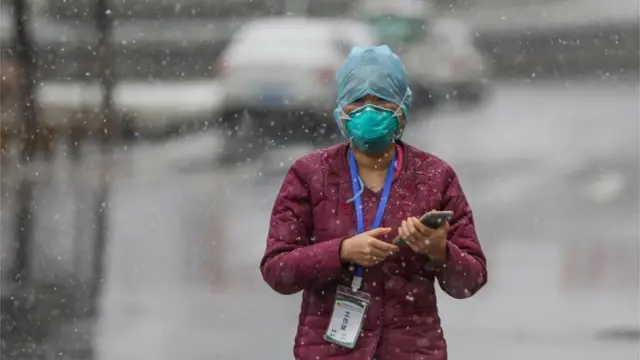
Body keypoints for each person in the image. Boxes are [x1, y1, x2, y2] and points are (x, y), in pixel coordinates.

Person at [259, 45, 487, 360]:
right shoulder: (308, 175)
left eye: (380, 101)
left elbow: (472, 279)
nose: (368, 111)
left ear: (402, 108)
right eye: (357, 102)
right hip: (330, 351)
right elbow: (277, 269)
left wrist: (439, 250)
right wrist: (341, 252)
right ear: (340, 110)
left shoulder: (435, 175)